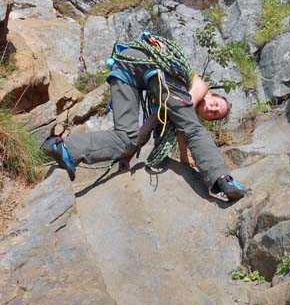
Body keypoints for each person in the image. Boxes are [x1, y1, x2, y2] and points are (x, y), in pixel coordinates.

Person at [42, 33, 245, 201]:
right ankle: (222, 178)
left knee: (126, 138)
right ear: (210, 95)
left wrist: (127, 153)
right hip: (155, 66)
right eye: (216, 104)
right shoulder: (200, 86)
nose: (211, 108)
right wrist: (184, 157)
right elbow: (185, 124)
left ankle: (65, 147)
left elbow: (164, 121)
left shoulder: (184, 101)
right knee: (194, 130)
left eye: (215, 114)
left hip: (126, 66)